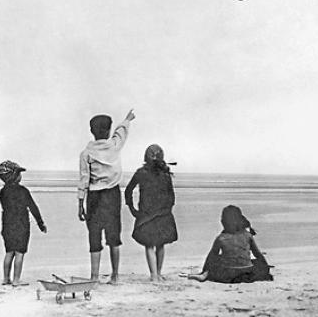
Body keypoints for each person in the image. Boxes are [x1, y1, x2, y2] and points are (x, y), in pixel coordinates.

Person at [77, 109, 135, 284]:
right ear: (108, 131)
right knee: (113, 236)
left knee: (94, 235)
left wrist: (80, 204)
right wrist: (127, 119)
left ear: (91, 131)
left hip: (94, 197)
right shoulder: (114, 146)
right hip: (112, 196)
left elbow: (84, 179)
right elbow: (121, 133)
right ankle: (115, 275)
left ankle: (94, 277)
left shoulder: (86, 154)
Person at [124, 144, 178, 282]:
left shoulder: (141, 172)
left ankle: (154, 275)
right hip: (163, 213)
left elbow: (128, 190)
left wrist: (132, 209)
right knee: (160, 244)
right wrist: (168, 210)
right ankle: (158, 274)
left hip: (146, 214)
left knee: (149, 244)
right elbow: (171, 196)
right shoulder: (166, 174)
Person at [187, 205, 272, 283]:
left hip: (228, 273)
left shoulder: (221, 238)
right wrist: (265, 267)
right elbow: (258, 255)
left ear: (223, 221)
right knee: (256, 263)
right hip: (246, 271)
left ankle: (204, 275)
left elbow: (211, 257)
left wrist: (205, 271)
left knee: (216, 258)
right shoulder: (248, 235)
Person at [0, 160, 47, 286]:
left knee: (9, 252)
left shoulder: (2, 192)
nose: (21, 176)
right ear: (14, 176)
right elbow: (33, 207)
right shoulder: (23, 191)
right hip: (21, 226)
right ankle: (16, 280)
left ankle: (5, 278)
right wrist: (40, 224)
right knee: (19, 253)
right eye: (19, 173)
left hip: (7, 225)